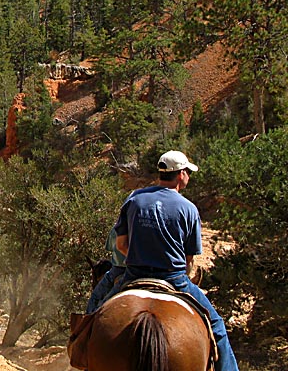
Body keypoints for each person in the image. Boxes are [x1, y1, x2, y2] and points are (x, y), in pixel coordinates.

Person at [102, 150, 239, 371]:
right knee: (217, 326)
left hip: (134, 274)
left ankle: (78, 353)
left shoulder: (135, 199)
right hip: (173, 277)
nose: (189, 177)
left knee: (94, 313)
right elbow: (189, 260)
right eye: (188, 172)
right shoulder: (189, 209)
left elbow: (120, 245)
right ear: (181, 174)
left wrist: (137, 257)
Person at [85, 226, 126, 313]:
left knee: (95, 298)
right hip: (153, 270)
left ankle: (87, 321)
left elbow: (110, 247)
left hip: (120, 270)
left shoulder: (119, 227)